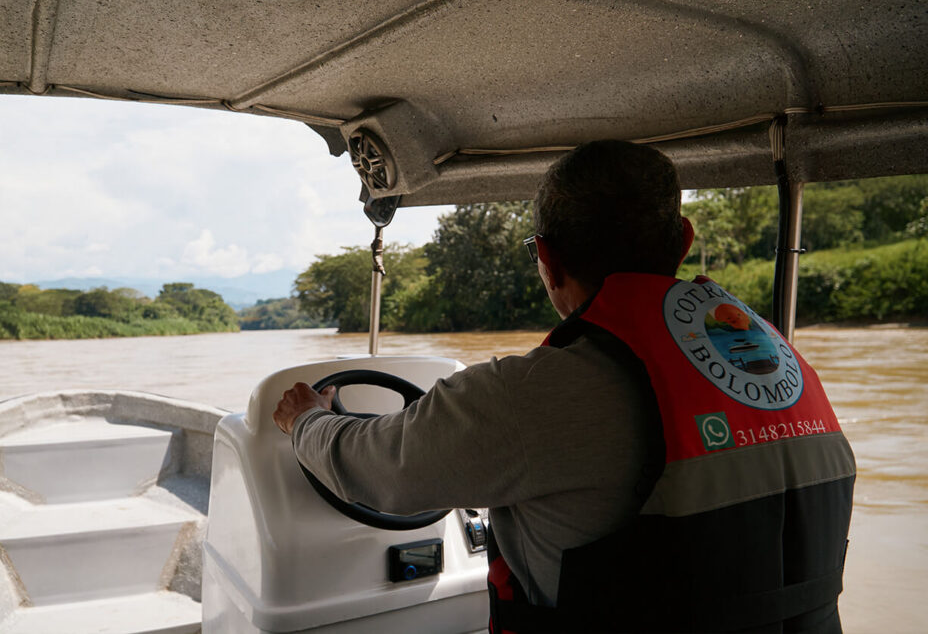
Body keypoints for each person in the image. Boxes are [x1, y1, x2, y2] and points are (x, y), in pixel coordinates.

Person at [273, 140, 856, 633]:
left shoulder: (527, 394)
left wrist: (307, 420)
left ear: (547, 260)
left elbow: (379, 470)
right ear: (682, 241)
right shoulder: (781, 361)